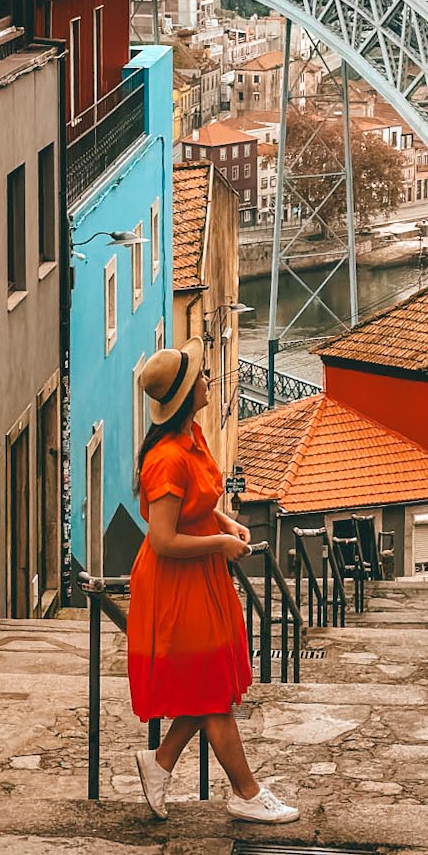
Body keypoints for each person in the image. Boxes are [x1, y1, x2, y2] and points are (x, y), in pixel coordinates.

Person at [127, 340, 299, 824]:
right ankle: (246, 793)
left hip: (200, 577)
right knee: (212, 691)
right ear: (185, 395)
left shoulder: (193, 438)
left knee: (207, 686)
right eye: (201, 377)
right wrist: (219, 547)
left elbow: (196, 506)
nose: (209, 381)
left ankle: (159, 764)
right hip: (175, 583)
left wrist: (224, 522)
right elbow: (162, 540)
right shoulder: (166, 459)